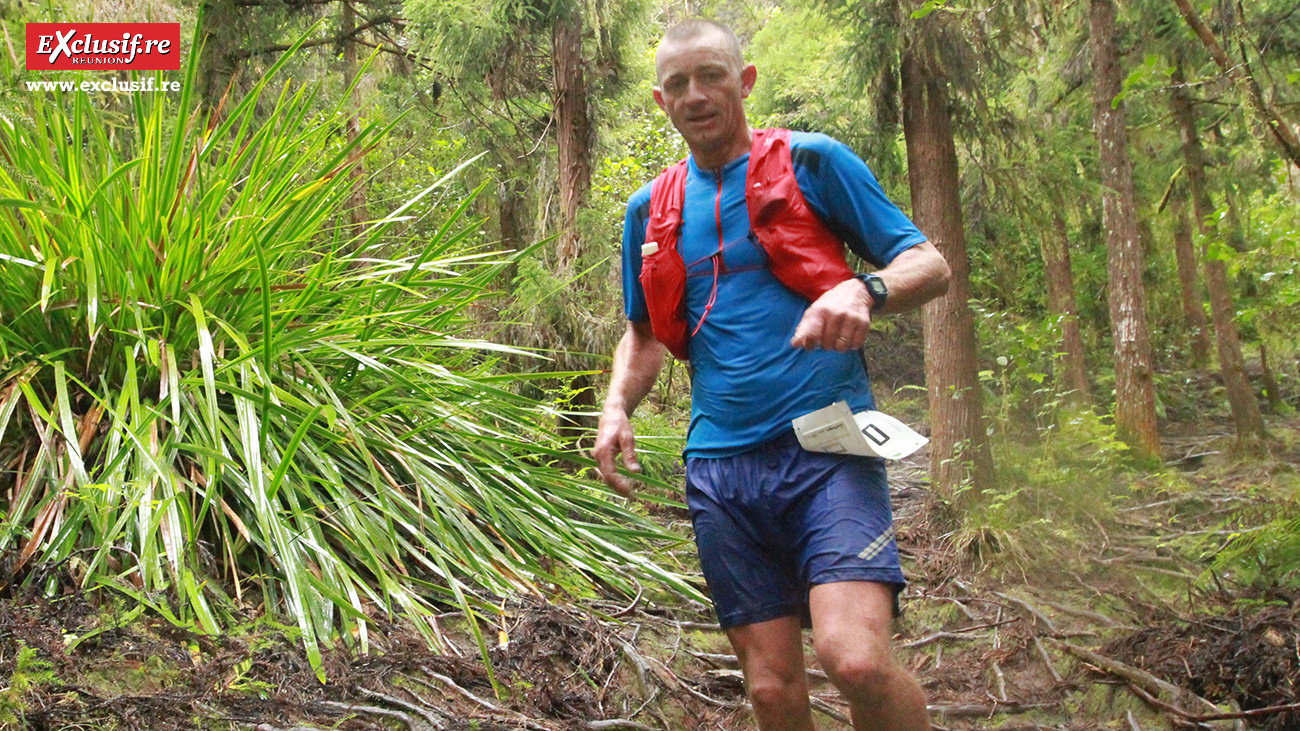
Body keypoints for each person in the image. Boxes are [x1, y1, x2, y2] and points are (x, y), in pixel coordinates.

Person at [591, 18, 950, 731]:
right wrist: (616, 407)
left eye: (712, 75)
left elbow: (929, 265)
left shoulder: (813, 163)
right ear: (662, 103)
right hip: (722, 470)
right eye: (678, 85)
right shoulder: (649, 211)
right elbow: (643, 337)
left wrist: (863, 290)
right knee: (772, 690)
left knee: (856, 661)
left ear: (744, 81)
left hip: (829, 452)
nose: (696, 95)